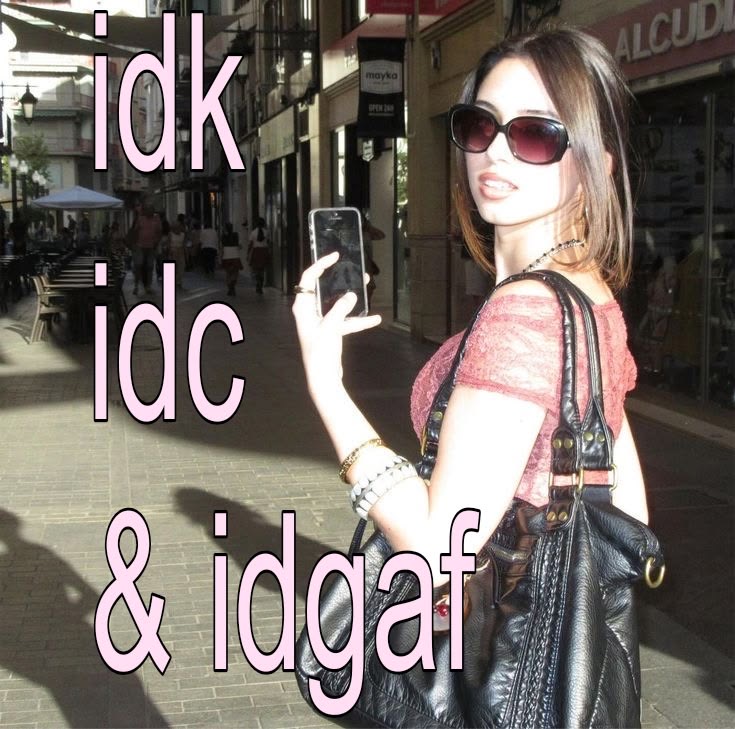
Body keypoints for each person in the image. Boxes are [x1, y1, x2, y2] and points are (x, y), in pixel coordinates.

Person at [293, 24, 648, 600]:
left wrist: (327, 388)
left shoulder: (525, 313)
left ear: (596, 164)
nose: (495, 151)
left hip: (482, 639)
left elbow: (438, 554)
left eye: (535, 133)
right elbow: (629, 514)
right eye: (480, 125)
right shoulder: (588, 295)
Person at [130, 202, 162, 295]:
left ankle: (148, 286)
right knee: (138, 265)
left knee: (150, 266)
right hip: (140, 246)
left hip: (151, 246)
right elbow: (135, 231)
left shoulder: (157, 218)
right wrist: (134, 244)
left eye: (151, 210)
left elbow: (159, 231)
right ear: (145, 211)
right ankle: (136, 286)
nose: (150, 212)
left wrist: (157, 242)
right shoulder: (140, 218)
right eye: (148, 210)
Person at [361, 216, 385, 308]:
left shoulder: (366, 235)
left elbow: (381, 235)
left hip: (366, 266)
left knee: (368, 288)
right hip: (361, 266)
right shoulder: (363, 235)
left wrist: (368, 227)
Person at [247, 217, 269, 295]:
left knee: (256, 269)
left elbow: (250, 244)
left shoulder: (253, 232)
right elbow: (268, 242)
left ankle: (258, 283)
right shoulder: (266, 232)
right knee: (262, 269)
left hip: (256, 252)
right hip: (264, 251)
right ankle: (261, 284)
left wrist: (248, 253)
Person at [220, 222, 243, 296]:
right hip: (235, 255)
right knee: (235, 273)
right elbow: (240, 246)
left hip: (226, 256)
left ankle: (230, 288)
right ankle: (232, 285)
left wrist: (221, 257)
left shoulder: (223, 236)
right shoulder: (236, 235)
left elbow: (222, 248)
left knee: (228, 273)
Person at [168, 214, 187, 288]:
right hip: (173, 251)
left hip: (180, 251)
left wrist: (186, 253)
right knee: (173, 267)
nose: (178, 228)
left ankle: (179, 280)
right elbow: (169, 243)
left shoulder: (183, 235)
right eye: (176, 227)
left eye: (179, 227)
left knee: (181, 266)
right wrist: (169, 251)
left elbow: (184, 244)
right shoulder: (170, 234)